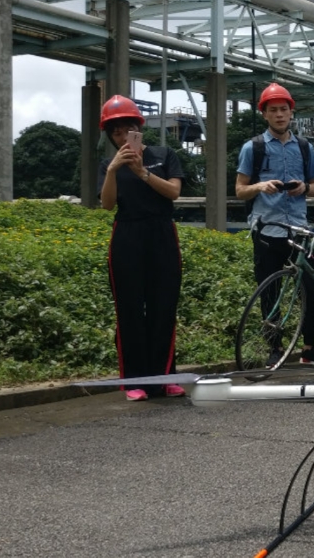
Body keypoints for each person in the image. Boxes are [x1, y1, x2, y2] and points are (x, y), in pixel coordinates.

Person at [97, 95, 185, 402]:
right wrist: (112, 172)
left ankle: (165, 377)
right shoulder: (110, 164)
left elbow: (173, 192)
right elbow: (107, 205)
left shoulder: (164, 154)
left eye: (128, 130)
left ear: (139, 129)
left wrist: (142, 173)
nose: (123, 137)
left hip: (162, 232)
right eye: (117, 132)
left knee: (164, 306)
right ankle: (133, 381)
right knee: (130, 310)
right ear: (110, 135)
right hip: (127, 235)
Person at [235, 83, 314, 367]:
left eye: (283, 109)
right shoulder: (253, 147)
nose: (279, 115)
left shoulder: (304, 147)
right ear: (264, 114)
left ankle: (309, 348)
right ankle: (273, 347)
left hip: (299, 228)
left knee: (310, 290)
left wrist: (303, 188)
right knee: (269, 290)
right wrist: (261, 185)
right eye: (273, 110)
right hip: (268, 229)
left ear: (291, 112)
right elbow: (240, 190)